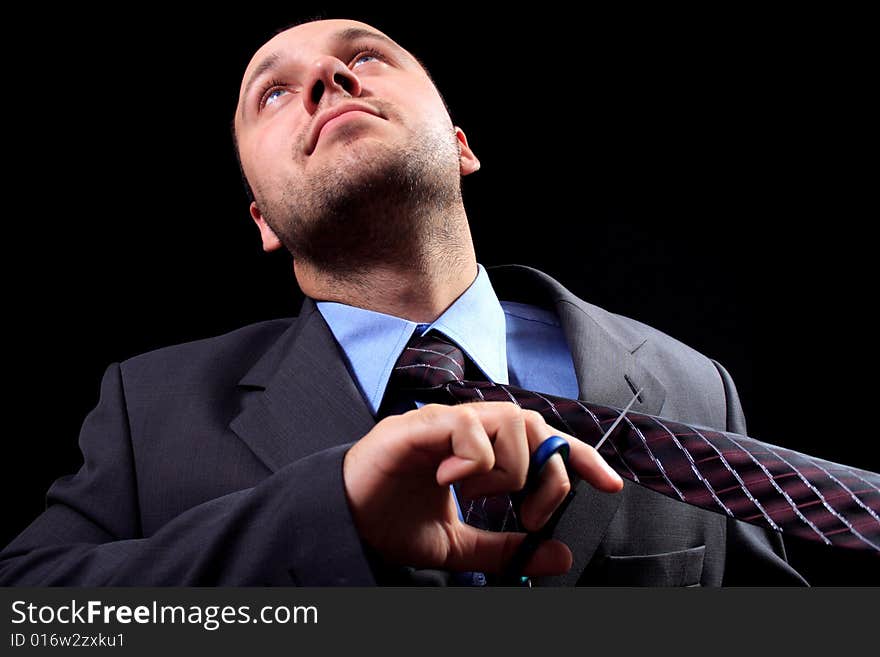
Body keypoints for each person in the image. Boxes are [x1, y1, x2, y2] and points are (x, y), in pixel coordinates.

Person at [0, 18, 808, 586]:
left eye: (366, 56)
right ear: (263, 221)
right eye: (272, 94)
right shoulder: (150, 410)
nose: (326, 77)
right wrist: (330, 512)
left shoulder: (693, 384)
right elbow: (38, 619)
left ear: (459, 145)